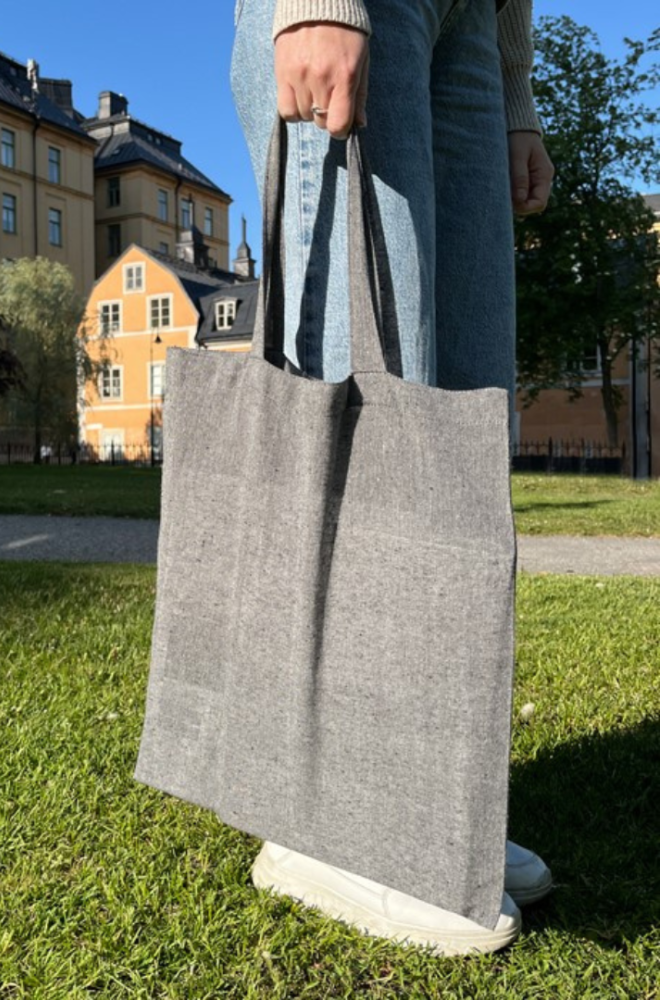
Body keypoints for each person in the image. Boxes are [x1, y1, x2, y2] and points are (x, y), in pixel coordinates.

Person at [230, 0, 554, 954]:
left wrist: (516, 90)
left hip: (474, 26)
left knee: (459, 411)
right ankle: (329, 823)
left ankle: (427, 810)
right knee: (366, 380)